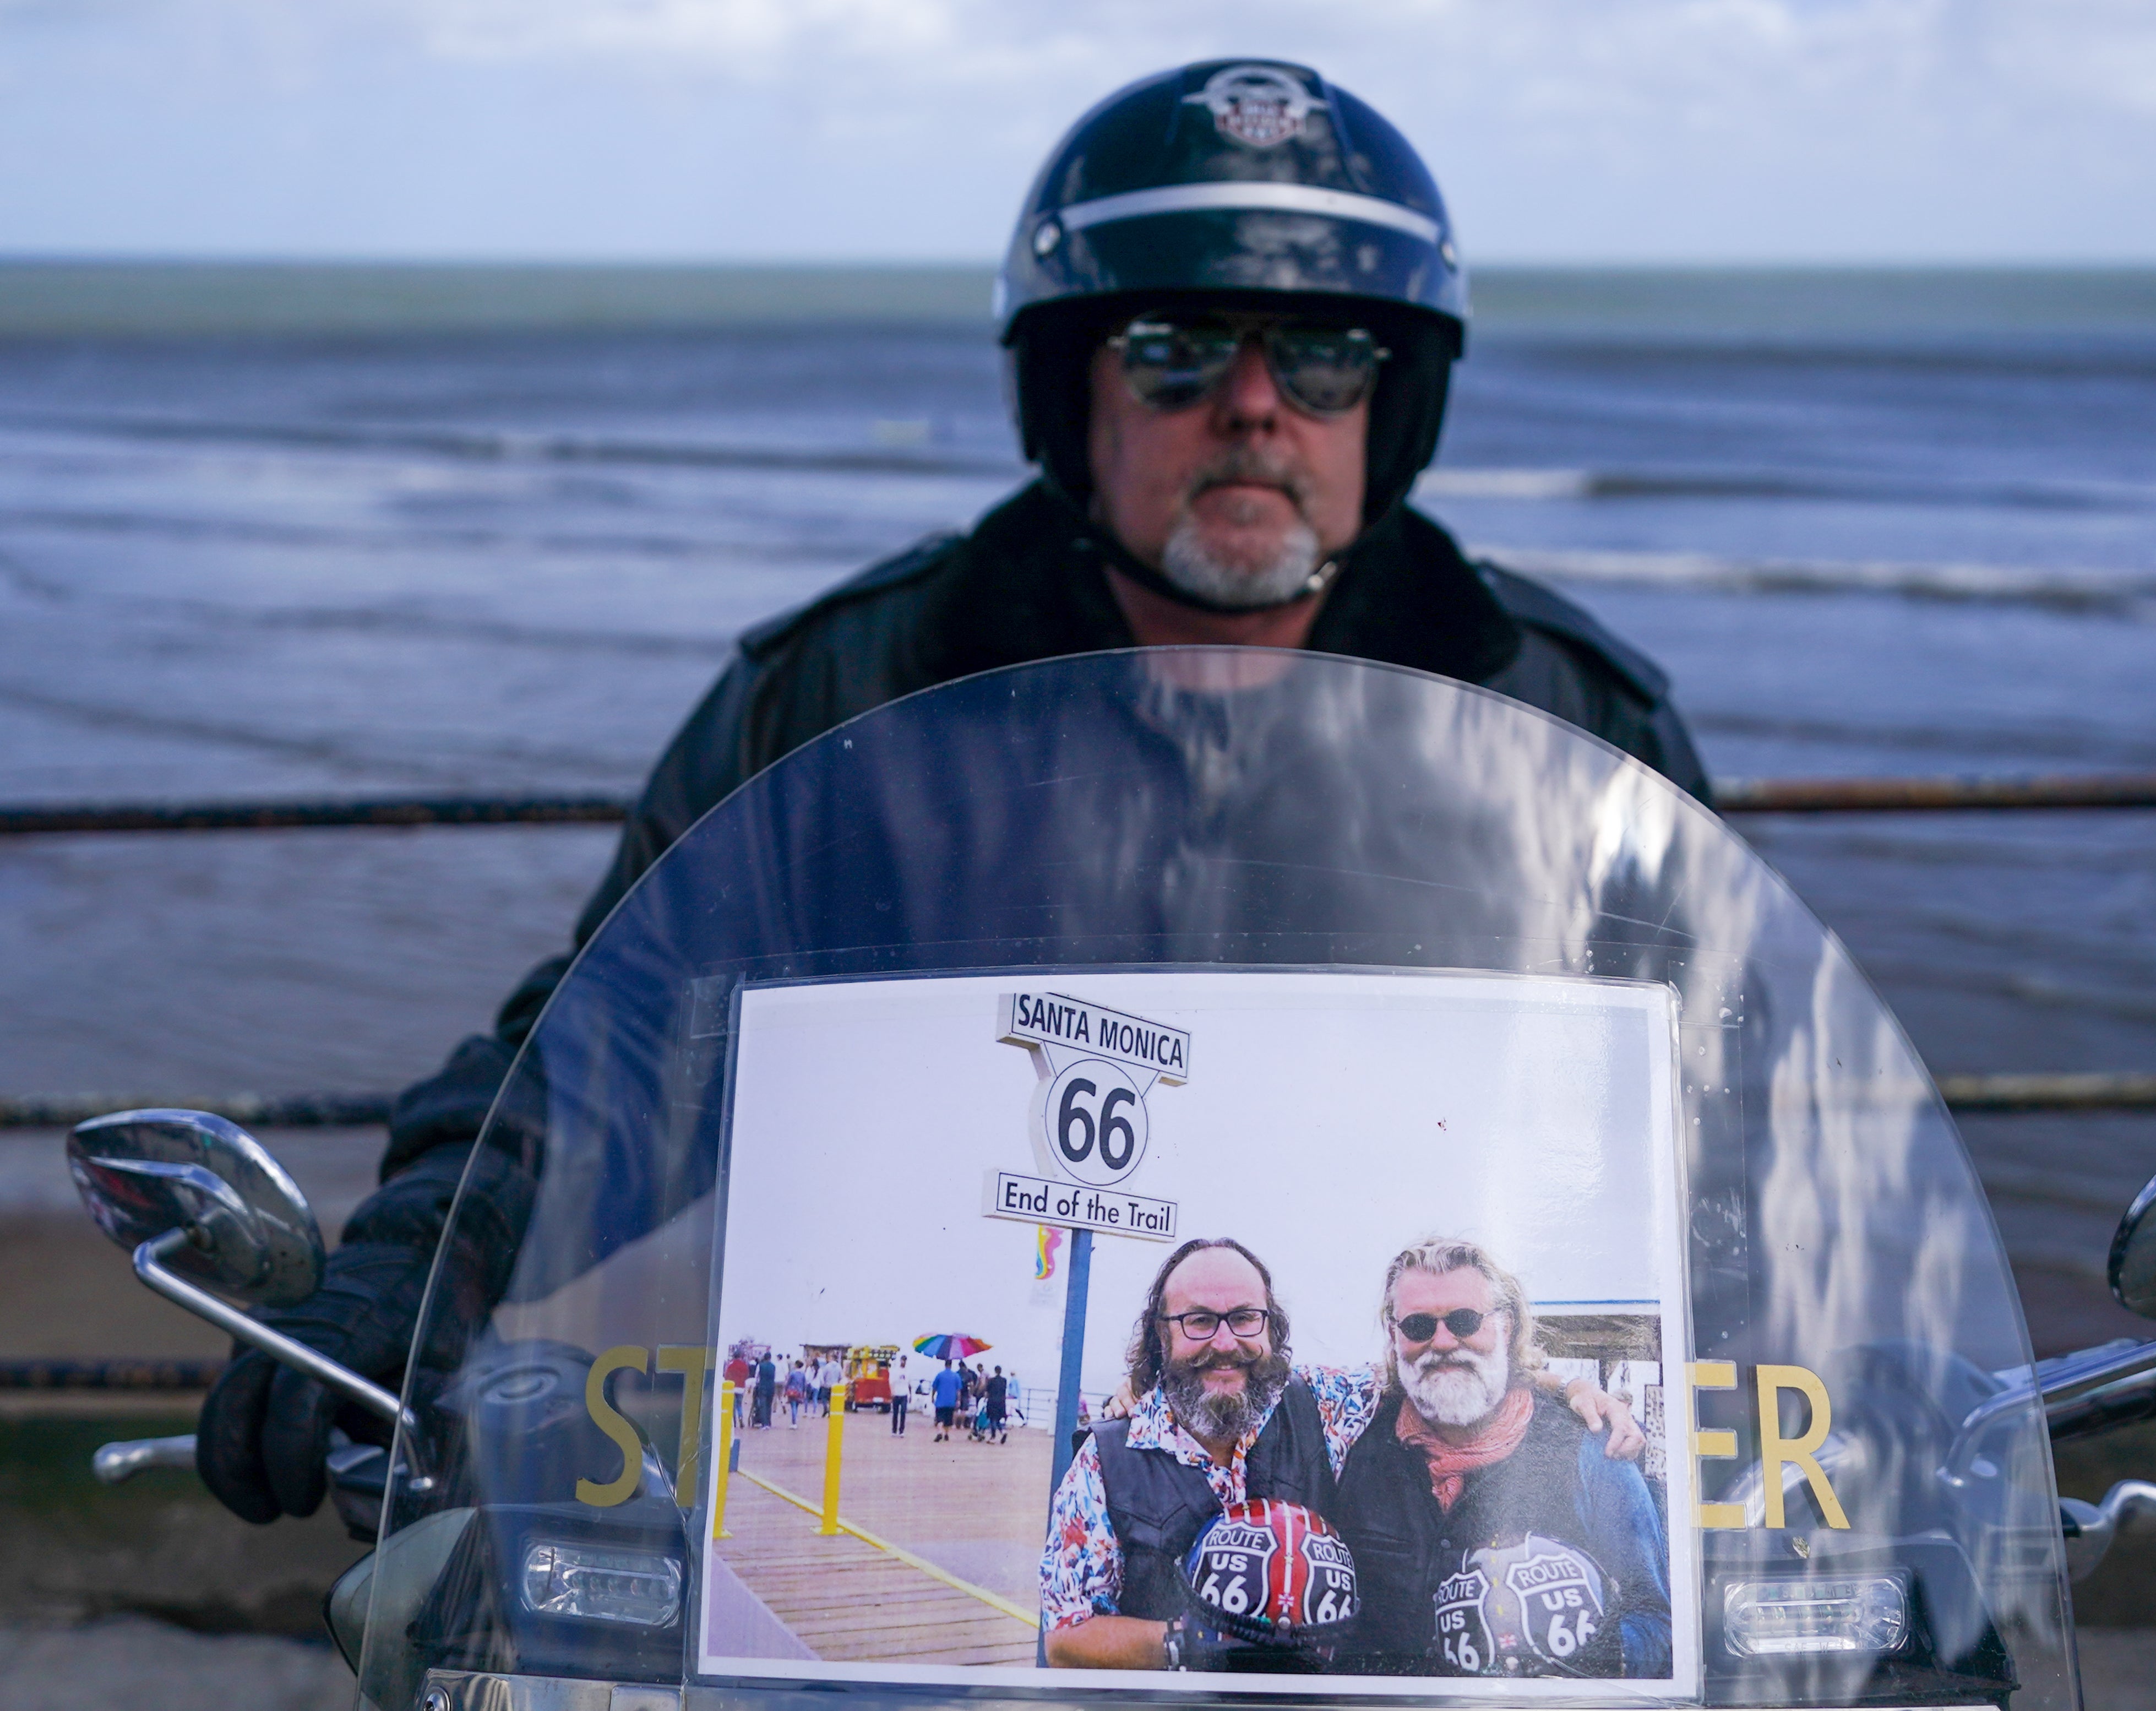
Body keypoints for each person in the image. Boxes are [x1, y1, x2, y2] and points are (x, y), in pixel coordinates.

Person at [193, 56, 1711, 1530]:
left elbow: (1733, 1116)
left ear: (1397, 403)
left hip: (1426, 1535)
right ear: (1071, 393)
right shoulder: (853, 692)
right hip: (953, 1505)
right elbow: (620, 1041)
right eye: (1175, 347)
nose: (1255, 405)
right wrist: (420, 1263)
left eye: (1322, 355)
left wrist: (1864, 1384)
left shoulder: (1565, 722)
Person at [1039, 1236, 1640, 1670]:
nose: (1225, 1342)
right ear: (1160, 1333)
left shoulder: (1324, 1404)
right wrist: (1190, 1641)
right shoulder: (1106, 1458)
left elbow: (1445, 1369)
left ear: (1271, 1328)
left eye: (1245, 1318)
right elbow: (1065, 1636)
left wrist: (1573, 1389)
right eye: (1198, 1321)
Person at [1333, 1239, 1671, 1677]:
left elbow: (1655, 1618)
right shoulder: (1350, 1436)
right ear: (1395, 1335)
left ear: (1506, 1326)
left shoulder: (1589, 1447)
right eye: (1418, 1325)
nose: (1442, 1341)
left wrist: (1580, 1666)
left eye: (1465, 1320)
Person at [932, 1359, 965, 1443]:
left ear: (945, 1365)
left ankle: (940, 1432)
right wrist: (958, 1400)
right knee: (948, 1420)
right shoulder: (956, 1376)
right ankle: (946, 1434)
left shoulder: (940, 1375)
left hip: (940, 1401)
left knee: (939, 1419)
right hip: (951, 1402)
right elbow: (959, 1391)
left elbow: (934, 1387)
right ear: (951, 1365)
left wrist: (932, 1397)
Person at [724, 1349, 752, 1430]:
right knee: (739, 1405)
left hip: (732, 1387)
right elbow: (747, 1375)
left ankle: (734, 1422)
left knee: (733, 1406)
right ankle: (740, 1418)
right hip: (741, 1388)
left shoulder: (731, 1364)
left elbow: (727, 1375)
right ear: (740, 1356)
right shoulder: (744, 1365)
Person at [985, 1365, 1010, 1445]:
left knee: (993, 1419)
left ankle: (993, 1437)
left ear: (995, 1371)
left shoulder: (991, 1380)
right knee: (998, 1419)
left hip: (993, 1402)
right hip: (1002, 1402)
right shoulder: (1004, 1381)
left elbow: (987, 1391)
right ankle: (1003, 1432)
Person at [753, 1350, 777, 1431]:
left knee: (763, 1406)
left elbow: (757, 1377)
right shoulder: (773, 1366)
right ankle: (769, 1423)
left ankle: (764, 1424)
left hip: (762, 1387)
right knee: (769, 1406)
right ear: (770, 1358)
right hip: (771, 1387)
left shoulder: (760, 1366)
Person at [890, 1356, 910, 1436]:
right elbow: (892, 1382)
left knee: (903, 1412)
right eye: (902, 1361)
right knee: (895, 1413)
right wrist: (892, 1392)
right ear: (900, 1361)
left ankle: (902, 1431)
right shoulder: (896, 1371)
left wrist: (910, 1394)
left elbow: (909, 1383)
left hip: (904, 1394)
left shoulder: (908, 1371)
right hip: (896, 1394)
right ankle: (894, 1430)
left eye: (905, 1361)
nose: (903, 1362)